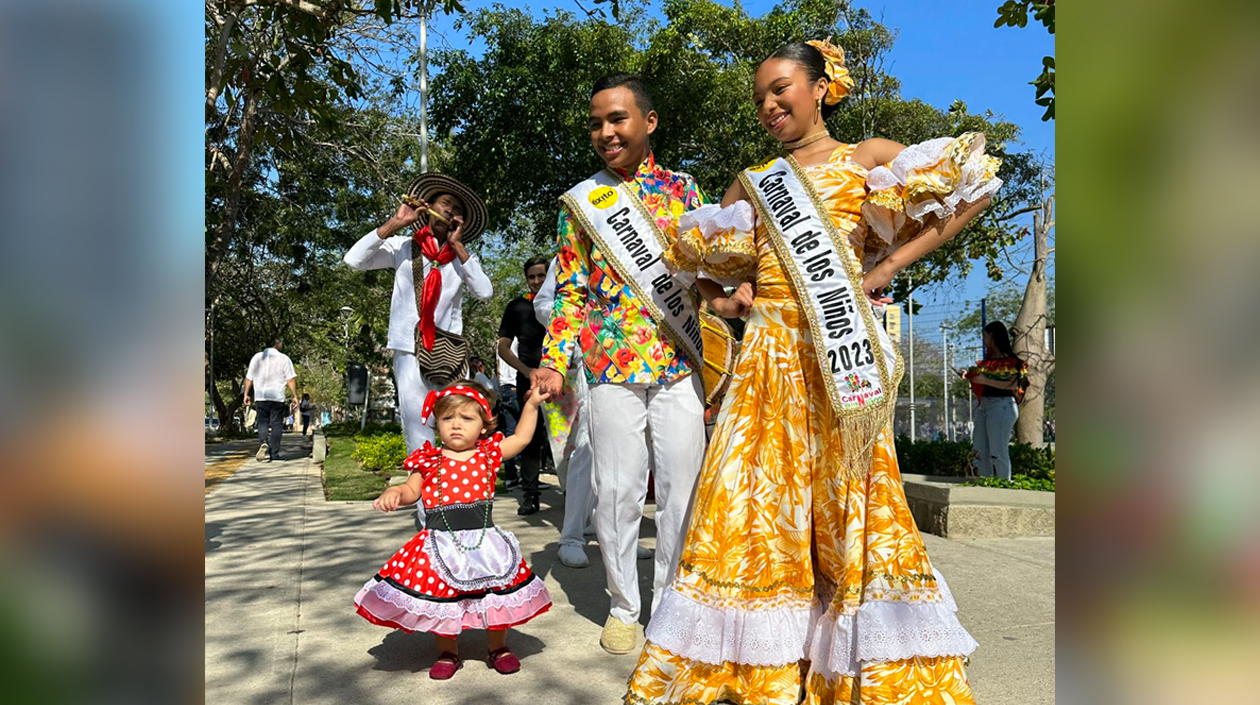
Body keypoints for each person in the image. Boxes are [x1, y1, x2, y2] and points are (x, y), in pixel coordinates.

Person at [626, 40, 1002, 704]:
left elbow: (972, 189)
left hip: (839, 360)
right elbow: (704, 282)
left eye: (781, 89)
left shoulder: (869, 158)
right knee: (753, 503)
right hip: (768, 359)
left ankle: (851, 669)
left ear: (820, 87)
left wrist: (885, 267)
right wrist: (727, 298)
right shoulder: (752, 182)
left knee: (846, 501)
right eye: (760, 97)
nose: (769, 105)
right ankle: (757, 671)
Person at [531, 73, 708, 655]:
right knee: (617, 491)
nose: (605, 132)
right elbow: (571, 294)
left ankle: (675, 605)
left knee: (682, 489)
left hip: (679, 362)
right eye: (596, 123)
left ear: (648, 123)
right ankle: (625, 606)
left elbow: (704, 275)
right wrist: (555, 362)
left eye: (617, 119)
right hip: (610, 366)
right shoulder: (582, 203)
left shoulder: (686, 191)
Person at [354, 381, 553, 679]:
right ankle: (448, 651)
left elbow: (522, 439)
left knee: (492, 594)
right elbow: (412, 490)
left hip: (484, 542)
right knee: (443, 598)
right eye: (448, 419)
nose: (456, 425)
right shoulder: (428, 461)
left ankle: (498, 646)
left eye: (467, 419)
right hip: (439, 544)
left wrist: (532, 405)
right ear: (437, 424)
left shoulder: (487, 454)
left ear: (484, 426)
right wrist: (397, 492)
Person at [343, 174, 493, 453]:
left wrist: (458, 246)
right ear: (430, 208)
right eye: (446, 203)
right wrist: (396, 222)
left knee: (453, 423)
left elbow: (485, 292)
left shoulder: (463, 258)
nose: (451, 211)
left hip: (448, 351)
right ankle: (423, 495)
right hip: (408, 347)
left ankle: (450, 490)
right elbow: (353, 260)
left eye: (458, 210)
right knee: (417, 424)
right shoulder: (401, 245)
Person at [531, 256, 598, 569]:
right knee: (587, 444)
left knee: (634, 452)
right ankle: (571, 537)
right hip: (594, 354)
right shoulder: (571, 252)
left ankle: (618, 533)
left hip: (646, 359)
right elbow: (544, 303)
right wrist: (579, 320)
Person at [496, 256, 553, 516]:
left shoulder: (564, 304)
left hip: (565, 378)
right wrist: (527, 371)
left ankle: (581, 497)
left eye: (542, 275)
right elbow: (503, 347)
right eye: (531, 276)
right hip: (528, 379)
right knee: (530, 437)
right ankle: (530, 494)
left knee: (573, 439)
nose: (536, 281)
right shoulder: (517, 307)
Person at [960, 320, 1028, 480]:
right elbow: (979, 376)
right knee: (979, 450)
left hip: (1002, 406)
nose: (983, 339)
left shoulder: (1013, 363)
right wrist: (969, 375)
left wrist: (984, 380)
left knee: (997, 450)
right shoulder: (987, 362)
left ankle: (1004, 484)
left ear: (992, 336)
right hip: (985, 405)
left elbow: (1014, 384)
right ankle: (985, 482)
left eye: (985, 335)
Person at [242, 338, 297, 463]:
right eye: (281, 343)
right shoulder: (284, 359)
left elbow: (248, 378)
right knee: (277, 424)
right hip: (277, 397)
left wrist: (246, 394)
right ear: (276, 344)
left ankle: (263, 442)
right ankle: (274, 453)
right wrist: (294, 396)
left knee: (262, 421)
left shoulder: (256, 358)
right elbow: (291, 379)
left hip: (261, 396)